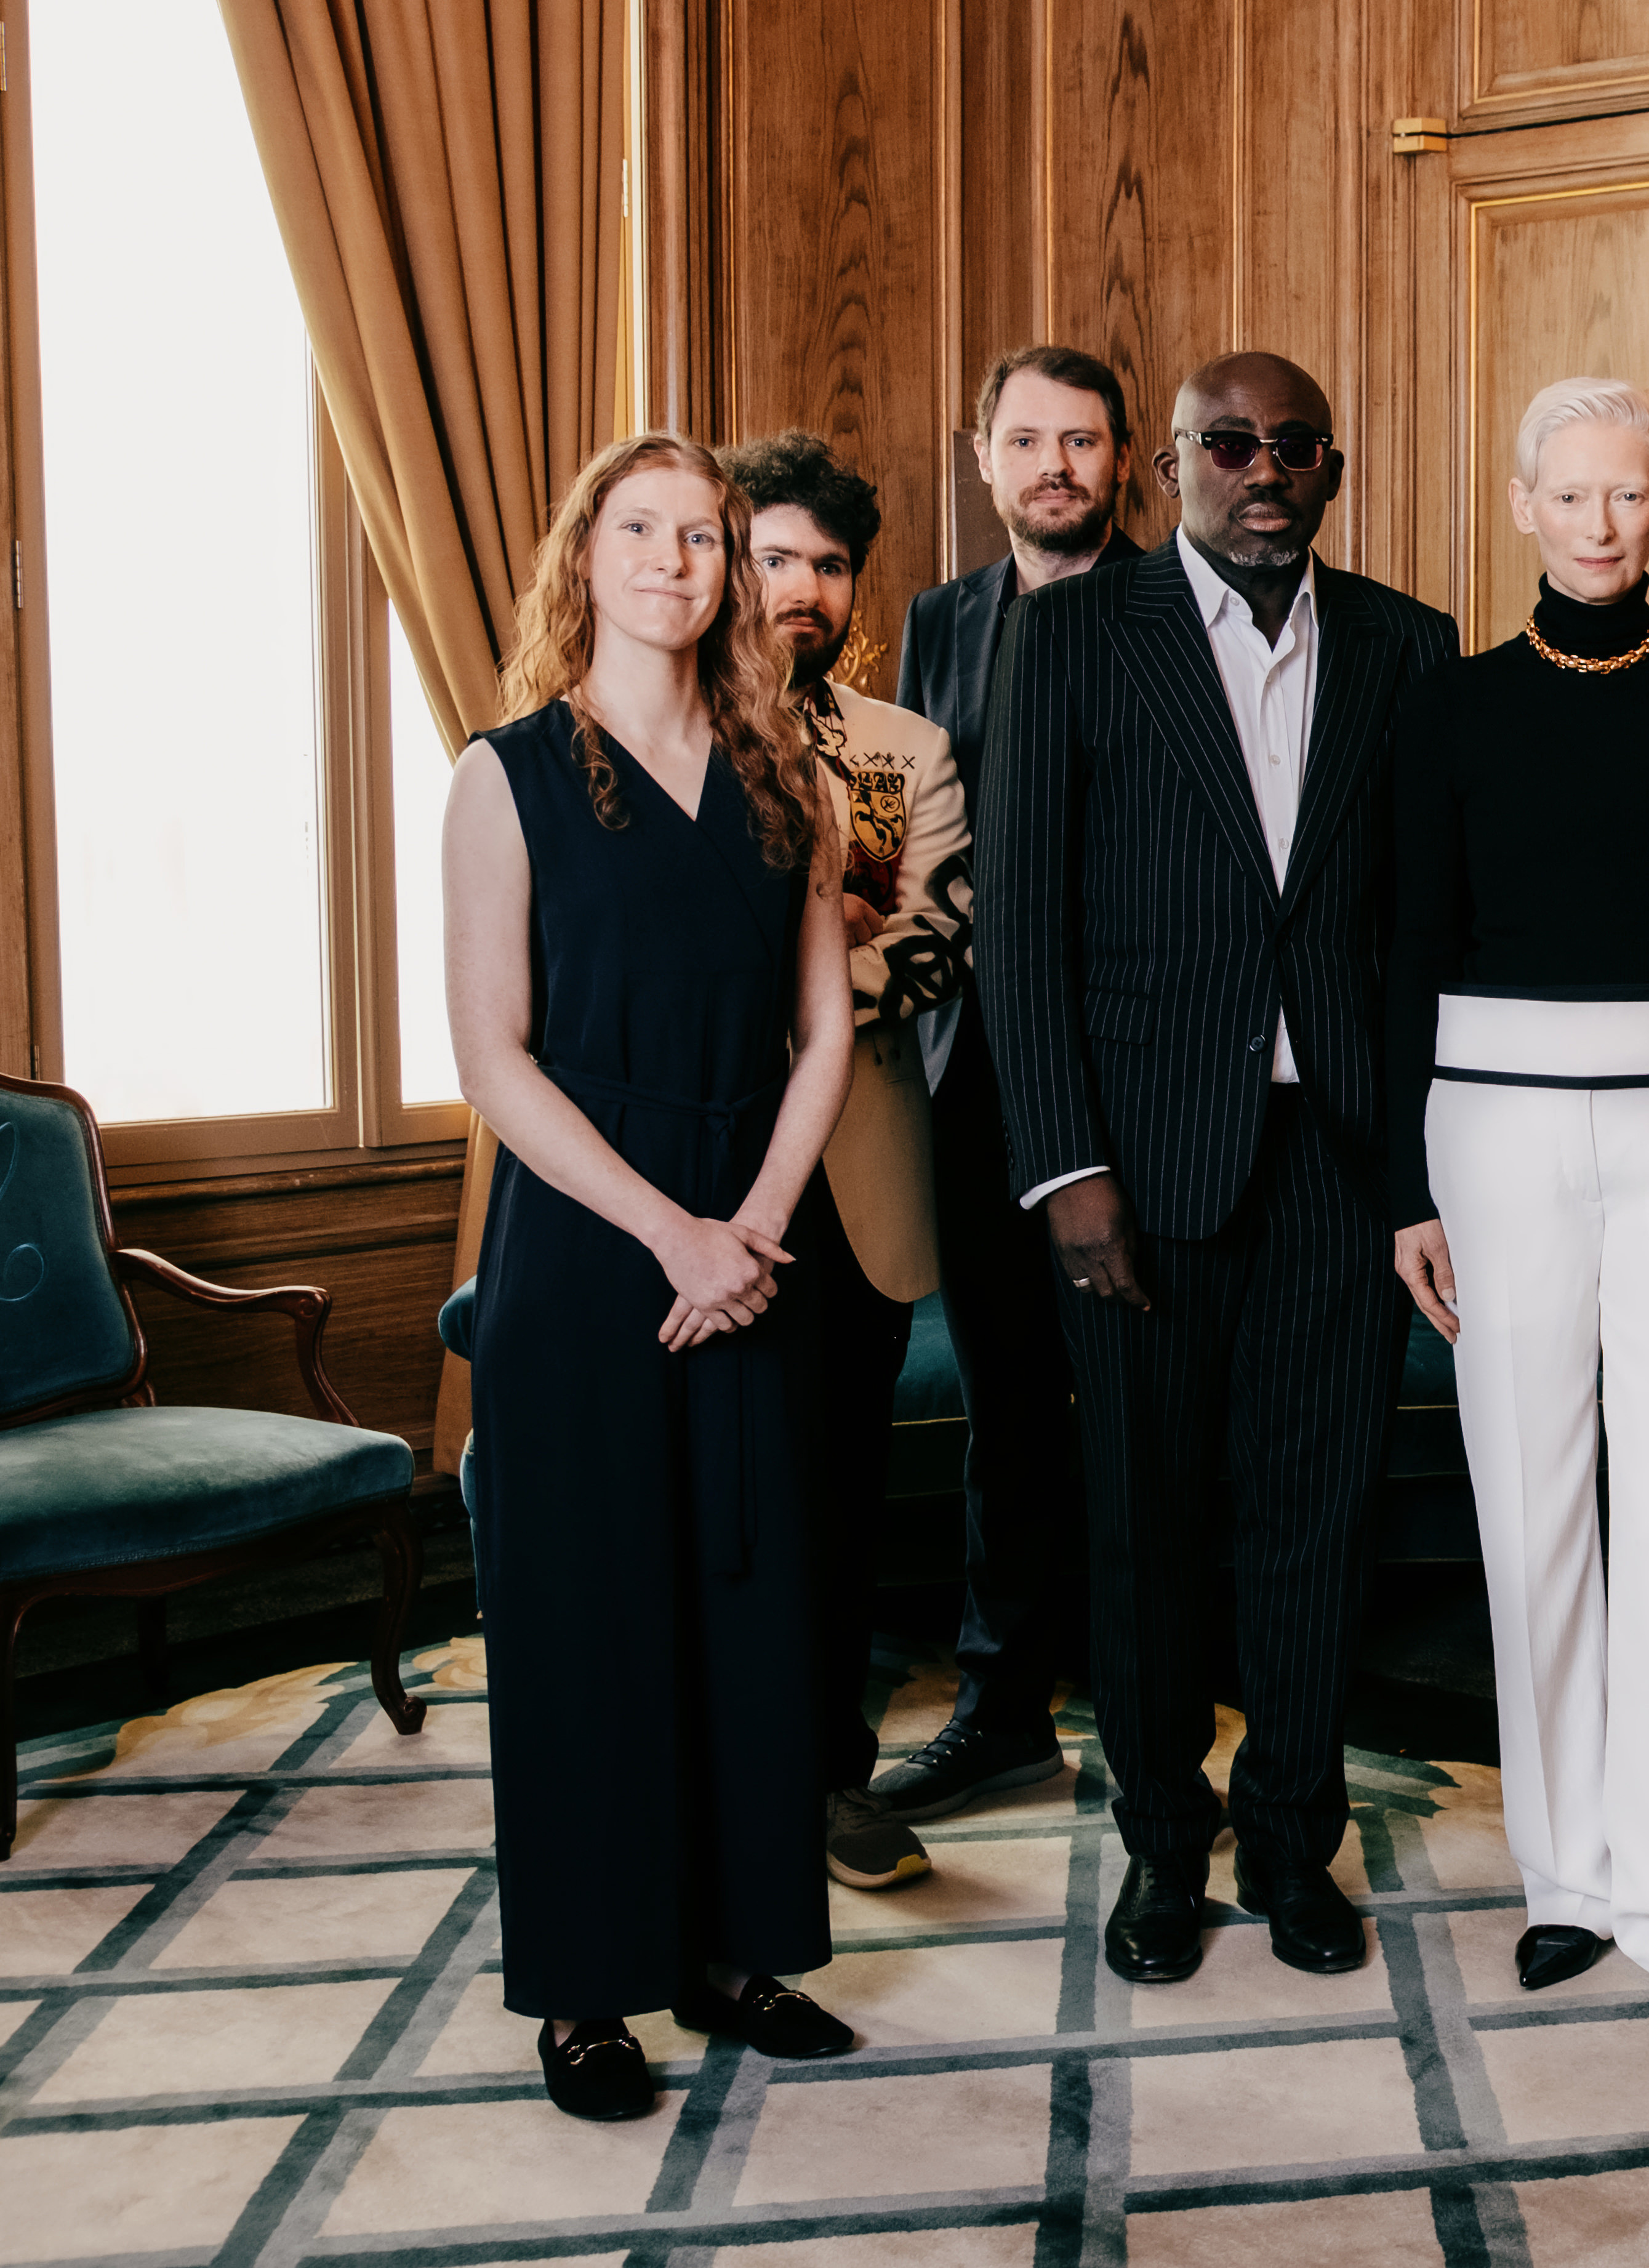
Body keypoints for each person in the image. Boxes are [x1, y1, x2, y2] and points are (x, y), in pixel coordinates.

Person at [976, 351, 1459, 1989]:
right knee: (1145, 1530)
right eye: (1228, 444)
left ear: (1334, 467)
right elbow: (1020, 929)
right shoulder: (1067, 636)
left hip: (1332, 1160)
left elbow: (1410, 938)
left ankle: (1289, 1845)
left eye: (1293, 447)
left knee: (1314, 1526)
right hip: (1137, 1175)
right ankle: (1161, 1850)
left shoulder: (1406, 646)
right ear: (1170, 463)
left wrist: (1413, 1175)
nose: (1263, 471)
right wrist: (1063, 1167)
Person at [446, 433, 860, 2119]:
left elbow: (823, 1032)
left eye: (706, 537)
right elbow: (495, 1056)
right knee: (586, 1619)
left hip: (748, 1239)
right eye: (643, 530)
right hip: (583, 1237)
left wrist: (749, 1226)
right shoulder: (506, 771)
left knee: (749, 1608)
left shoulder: (793, 782)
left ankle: (737, 1951)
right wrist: (670, 1233)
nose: (677, 562)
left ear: (738, 576)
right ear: (584, 554)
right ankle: (591, 1991)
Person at [1387, 377, 1649, 2037]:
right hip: (1486, 1126)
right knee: (1533, 1498)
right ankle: (1561, 1872)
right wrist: (1404, 1185)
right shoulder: (1448, 705)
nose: (1599, 521)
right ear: (1521, 503)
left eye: (1627, 492)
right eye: (1569, 494)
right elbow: (1405, 940)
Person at [875, 347, 1144, 1825]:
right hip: (967, 1072)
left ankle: (1153, 1701)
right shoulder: (937, 620)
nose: (1055, 464)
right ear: (981, 454)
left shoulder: (1180, 611)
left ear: (1123, 460)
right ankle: (1001, 1707)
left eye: (1083, 440)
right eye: (1027, 439)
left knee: (1130, 1400)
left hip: (1124, 1089)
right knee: (1006, 1409)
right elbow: (887, 835)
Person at [719, 430, 973, 1895]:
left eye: (827, 563)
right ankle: (712, 1770)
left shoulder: (902, 751)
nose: (802, 585)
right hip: (681, 1179)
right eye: (775, 556)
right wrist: (824, 956)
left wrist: (788, 990)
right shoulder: (645, 735)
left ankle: (829, 1776)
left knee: (830, 1499)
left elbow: (935, 942)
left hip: (860, 1181)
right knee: (713, 1489)